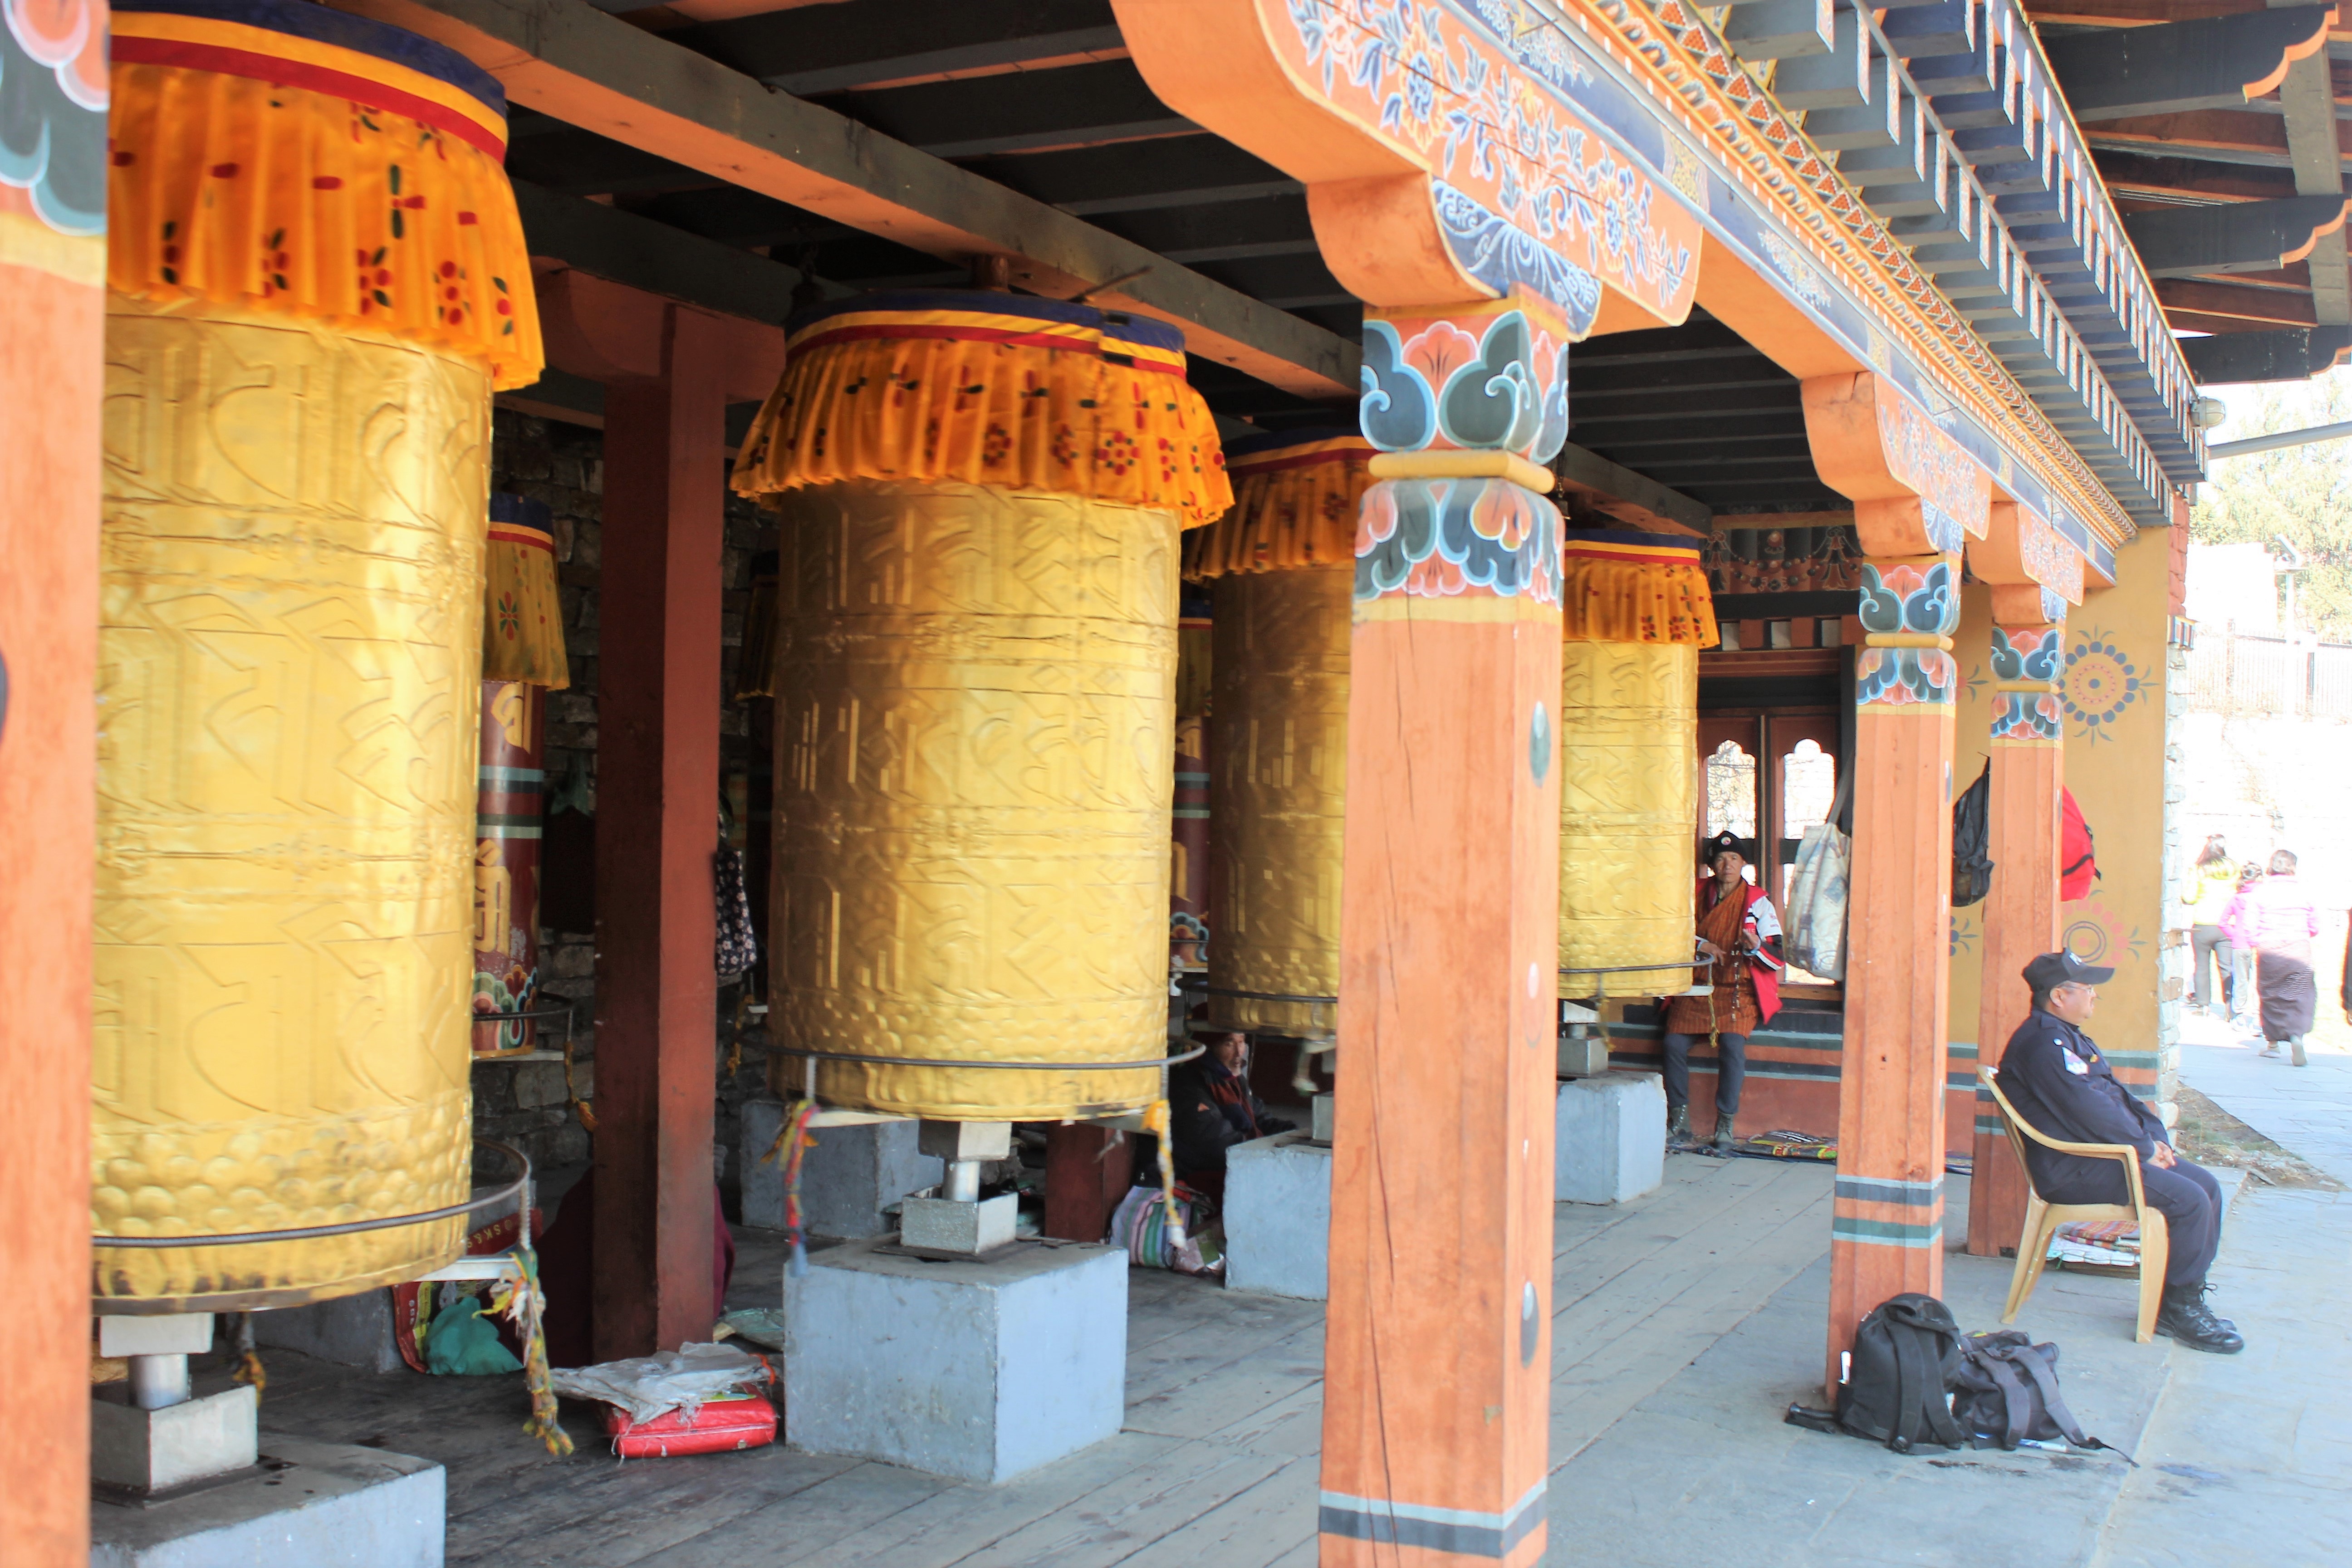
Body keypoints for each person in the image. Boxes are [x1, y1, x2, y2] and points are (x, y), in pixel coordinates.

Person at [1997, 951, 2242, 1354]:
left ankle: (2180, 1297)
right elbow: (2086, 1110)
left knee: (2207, 1186)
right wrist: (2143, 1150)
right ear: (2060, 995)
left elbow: (2118, 1097)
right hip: (2073, 1167)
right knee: (2190, 1200)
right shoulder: (2043, 1043)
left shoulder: (2065, 1034)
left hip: (2106, 1156)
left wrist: (2155, 1140)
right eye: (2088, 988)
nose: (2095, 996)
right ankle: (2179, 1311)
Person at [1661, 830, 1783, 1153]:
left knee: (1732, 1047)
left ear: (1743, 863)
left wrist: (1755, 948)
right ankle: (1679, 1119)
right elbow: (1669, 933)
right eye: (1720, 859)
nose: (1727, 865)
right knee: (1672, 1043)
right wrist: (1702, 944)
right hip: (1696, 988)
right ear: (1712, 865)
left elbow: (1778, 958)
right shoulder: (1694, 895)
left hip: (1736, 991)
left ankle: (1725, 1124)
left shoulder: (1759, 904)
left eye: (1733, 858)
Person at [1166, 1028, 1295, 1200]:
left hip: (1238, 1159)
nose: (1239, 1052)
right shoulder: (1189, 1084)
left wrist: (1293, 1134)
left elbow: (1259, 1118)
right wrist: (1264, 1152)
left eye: (1241, 1042)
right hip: (1200, 1173)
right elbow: (1217, 1142)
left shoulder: (1231, 1080)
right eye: (1229, 1043)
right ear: (1209, 1047)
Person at [2225, 850, 2322, 1065]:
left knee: (2271, 996)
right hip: (2299, 947)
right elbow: (2314, 924)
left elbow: (2250, 925)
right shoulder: (2305, 891)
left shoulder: (2261, 892)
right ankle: (2297, 1036)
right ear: (2293, 867)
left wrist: (2256, 941)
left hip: (2270, 949)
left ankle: (2273, 1045)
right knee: (2301, 995)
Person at [2181, 836, 2237, 1015]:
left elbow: (2189, 897)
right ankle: (2230, 1006)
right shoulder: (2235, 868)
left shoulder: (2198, 870)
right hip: (2227, 925)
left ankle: (2203, 1005)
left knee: (2202, 966)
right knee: (2227, 967)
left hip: (2203, 925)